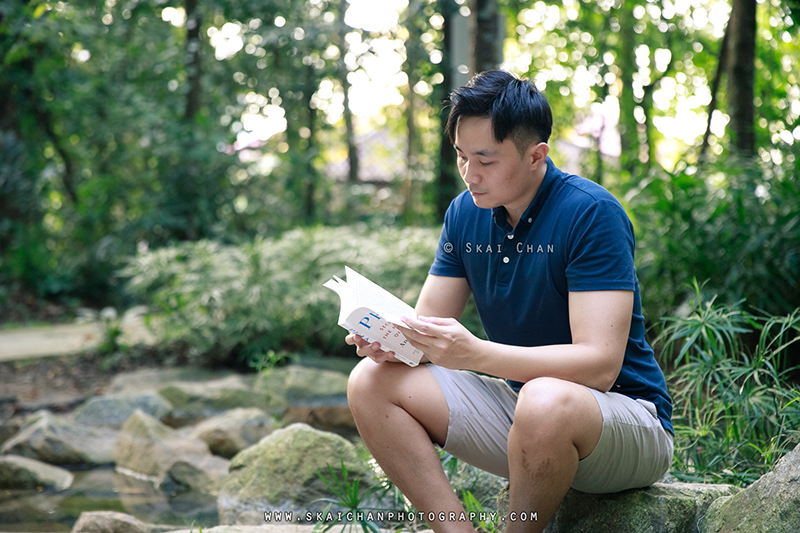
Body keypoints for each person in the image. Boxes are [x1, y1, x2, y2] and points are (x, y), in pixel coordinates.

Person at [345, 70, 673, 533]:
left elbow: (600, 366)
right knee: (371, 381)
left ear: (537, 155)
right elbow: (428, 331)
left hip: (623, 422)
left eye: (486, 160)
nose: (469, 173)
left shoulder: (589, 213)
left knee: (545, 397)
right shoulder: (465, 214)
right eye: (461, 156)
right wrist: (390, 341)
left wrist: (476, 353)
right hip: (526, 418)